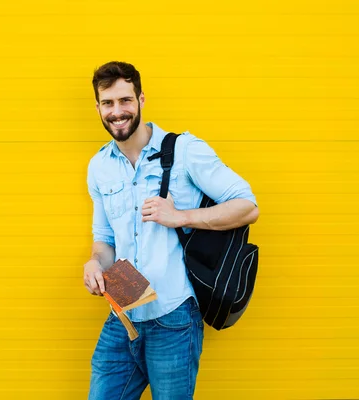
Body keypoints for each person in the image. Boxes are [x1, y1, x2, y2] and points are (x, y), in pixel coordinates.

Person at [84, 61, 259, 400]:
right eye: (108, 103)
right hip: (122, 313)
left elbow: (248, 206)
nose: (117, 112)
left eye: (125, 100)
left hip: (174, 318)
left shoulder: (184, 150)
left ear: (141, 99)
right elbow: (104, 241)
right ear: (98, 107)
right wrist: (94, 263)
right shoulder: (99, 166)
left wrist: (181, 217)